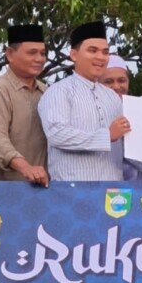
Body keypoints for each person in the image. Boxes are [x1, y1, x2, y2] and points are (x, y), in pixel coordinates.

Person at [38, 21, 130, 181]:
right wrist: (106, 136)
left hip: (114, 189)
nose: (100, 57)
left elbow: (128, 142)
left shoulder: (113, 97)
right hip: (73, 189)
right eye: (92, 50)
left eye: (105, 52)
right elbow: (57, 133)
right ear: (74, 55)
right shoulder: (59, 91)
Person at [0, 24, 49, 186]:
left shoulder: (47, 92)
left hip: (45, 188)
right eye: (32, 53)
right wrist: (26, 168)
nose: (39, 59)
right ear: (10, 54)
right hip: (8, 189)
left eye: (42, 53)